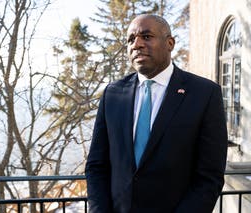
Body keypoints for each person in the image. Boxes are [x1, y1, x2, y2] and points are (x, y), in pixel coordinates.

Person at [85, 14, 228, 213]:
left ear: (170, 43)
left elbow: (209, 177)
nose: (137, 44)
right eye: (131, 39)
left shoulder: (204, 93)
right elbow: (96, 166)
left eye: (146, 36)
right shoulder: (113, 94)